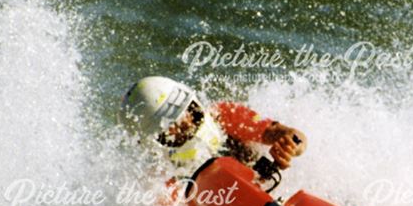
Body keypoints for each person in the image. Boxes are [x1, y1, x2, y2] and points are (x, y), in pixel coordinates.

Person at [119, 76, 307, 173]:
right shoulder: (160, 176)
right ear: (153, 139)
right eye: (168, 125)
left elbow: (294, 135)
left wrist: (291, 146)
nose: (183, 123)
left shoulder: (223, 115)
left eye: (182, 111)